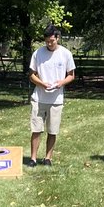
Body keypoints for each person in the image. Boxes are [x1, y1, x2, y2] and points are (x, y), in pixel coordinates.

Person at [27, 24, 76, 167]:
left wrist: (61, 83)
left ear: (58, 38)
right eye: (47, 41)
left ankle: (48, 158)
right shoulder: (38, 53)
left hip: (56, 99)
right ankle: (33, 158)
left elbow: (71, 75)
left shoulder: (66, 54)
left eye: (52, 41)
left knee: (52, 130)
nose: (49, 44)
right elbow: (31, 75)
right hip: (39, 97)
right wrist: (42, 84)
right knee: (36, 129)